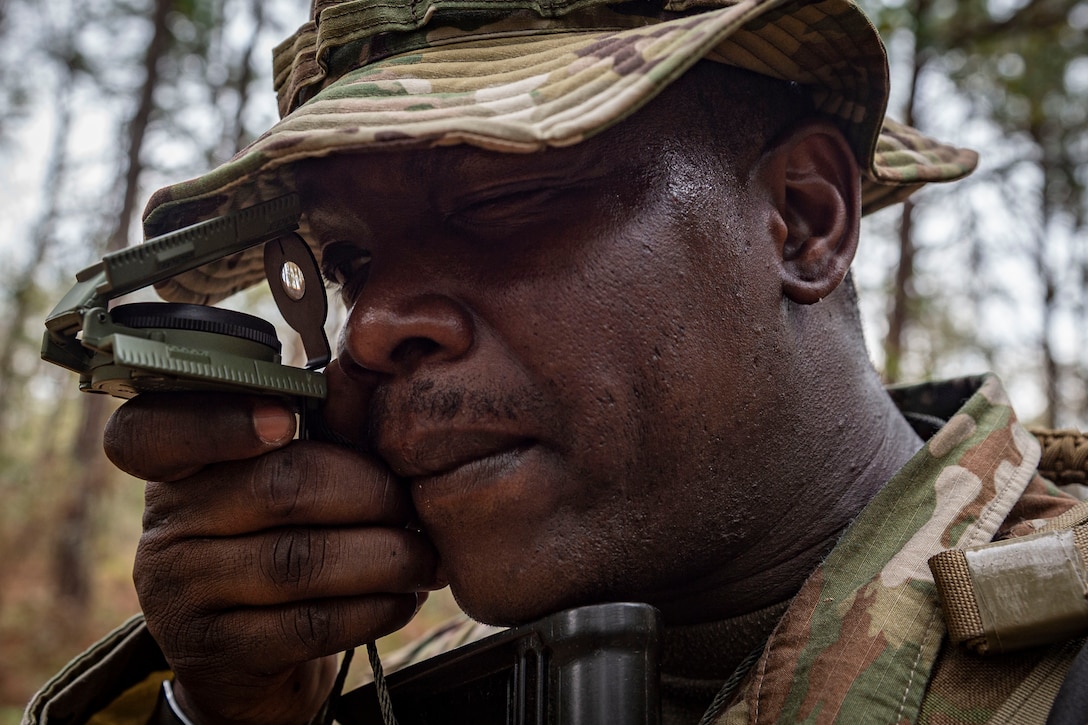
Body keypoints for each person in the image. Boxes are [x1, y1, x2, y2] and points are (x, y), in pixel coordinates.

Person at [24, 0, 1088, 723]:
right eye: (348, 260)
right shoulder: (403, 687)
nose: (372, 325)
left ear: (801, 222)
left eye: (498, 200)